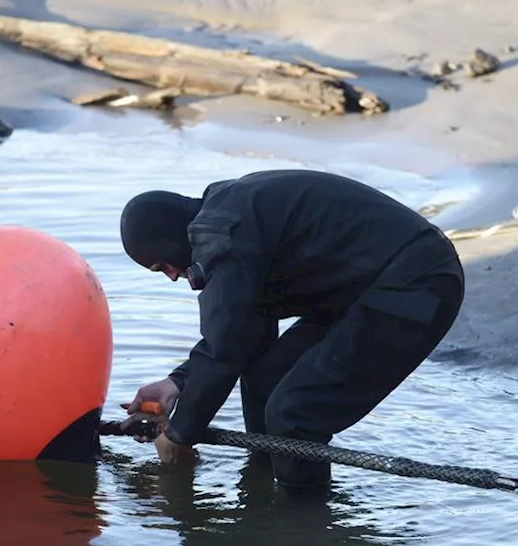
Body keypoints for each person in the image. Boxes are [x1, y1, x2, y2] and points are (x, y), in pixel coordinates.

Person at [117, 169, 465, 492]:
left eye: (162, 265)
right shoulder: (228, 217)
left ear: (168, 238)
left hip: (417, 283)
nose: (173, 276)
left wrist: (178, 435)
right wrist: (177, 382)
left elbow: (223, 348)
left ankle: (304, 527)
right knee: (266, 378)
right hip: (365, 288)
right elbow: (241, 332)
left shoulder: (218, 235)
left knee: (294, 413)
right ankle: (262, 489)